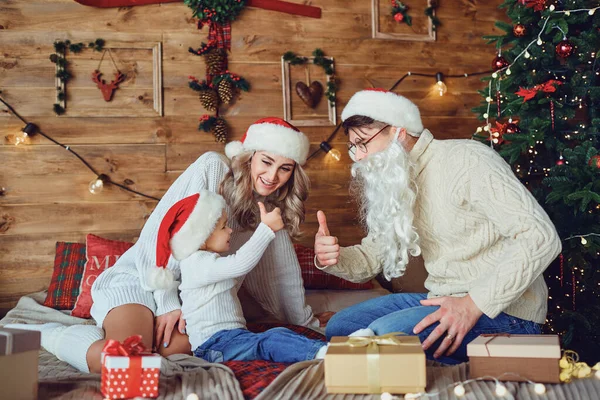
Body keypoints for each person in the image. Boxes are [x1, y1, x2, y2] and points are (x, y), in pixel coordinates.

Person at [9, 117, 330, 373]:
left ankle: (91, 337)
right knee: (126, 361)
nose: (272, 175)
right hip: (142, 281)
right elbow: (160, 237)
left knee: (157, 360)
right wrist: (166, 304)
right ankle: (46, 333)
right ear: (249, 157)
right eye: (266, 161)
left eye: (284, 168)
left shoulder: (269, 216)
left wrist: (309, 327)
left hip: (192, 303)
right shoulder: (213, 168)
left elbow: (283, 278)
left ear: (293, 173)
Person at [314, 89, 562, 364]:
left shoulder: (468, 160)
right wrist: (333, 258)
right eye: (353, 147)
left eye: (363, 143)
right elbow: (372, 257)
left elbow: (541, 237)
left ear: (398, 132)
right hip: (443, 298)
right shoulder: (396, 180)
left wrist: (471, 305)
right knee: (341, 326)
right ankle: (435, 358)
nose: (359, 157)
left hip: (504, 312)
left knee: (383, 335)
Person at [155, 190, 326, 363]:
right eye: (223, 227)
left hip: (230, 338)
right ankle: (324, 355)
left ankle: (321, 350)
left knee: (278, 334)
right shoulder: (197, 264)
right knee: (269, 342)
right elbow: (240, 263)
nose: (230, 230)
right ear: (202, 237)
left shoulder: (205, 261)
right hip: (216, 346)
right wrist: (266, 229)